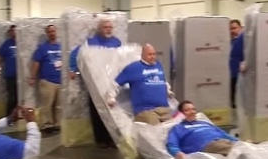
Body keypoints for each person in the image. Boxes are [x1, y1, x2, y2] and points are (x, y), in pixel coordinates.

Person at [69, 19, 122, 148]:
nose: (108, 29)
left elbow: (122, 58)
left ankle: (112, 137)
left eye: (110, 27)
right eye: (105, 27)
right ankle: (101, 139)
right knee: (97, 110)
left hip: (112, 82)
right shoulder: (91, 43)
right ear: (99, 29)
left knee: (112, 110)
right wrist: (73, 69)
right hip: (96, 82)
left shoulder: (116, 42)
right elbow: (76, 54)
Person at [108, 44, 173, 125]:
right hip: (146, 110)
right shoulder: (133, 68)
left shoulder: (158, 65)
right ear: (142, 55)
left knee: (172, 130)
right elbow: (116, 84)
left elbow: (162, 80)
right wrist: (111, 97)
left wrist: (168, 90)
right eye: (149, 54)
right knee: (156, 132)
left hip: (164, 108)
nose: (152, 57)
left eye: (154, 54)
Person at [167, 101, 239, 159]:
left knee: (244, 147)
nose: (192, 112)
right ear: (181, 113)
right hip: (207, 145)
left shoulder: (204, 123)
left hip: (223, 141)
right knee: (238, 151)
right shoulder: (178, 128)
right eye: (187, 110)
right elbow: (172, 144)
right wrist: (177, 153)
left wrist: (238, 142)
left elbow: (224, 134)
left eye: (193, 109)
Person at [29, 25, 61, 131]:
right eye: (49, 32)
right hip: (47, 81)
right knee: (46, 104)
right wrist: (32, 77)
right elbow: (36, 63)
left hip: (60, 81)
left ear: (56, 32)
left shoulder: (61, 46)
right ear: (47, 34)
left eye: (53, 31)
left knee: (59, 105)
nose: (52, 33)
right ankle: (47, 124)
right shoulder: (42, 48)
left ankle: (57, 123)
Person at [0, 25, 18, 116]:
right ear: (10, 33)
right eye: (12, 31)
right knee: (12, 97)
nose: (14, 32)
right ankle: (8, 116)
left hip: (20, 77)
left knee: (19, 97)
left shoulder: (22, 43)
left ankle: (17, 116)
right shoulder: (7, 44)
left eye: (15, 30)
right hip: (10, 75)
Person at [229, 20, 245, 109]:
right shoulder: (229, 41)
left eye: (234, 28)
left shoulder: (244, 40)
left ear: (240, 28)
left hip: (241, 73)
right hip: (231, 73)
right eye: (230, 29)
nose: (232, 31)